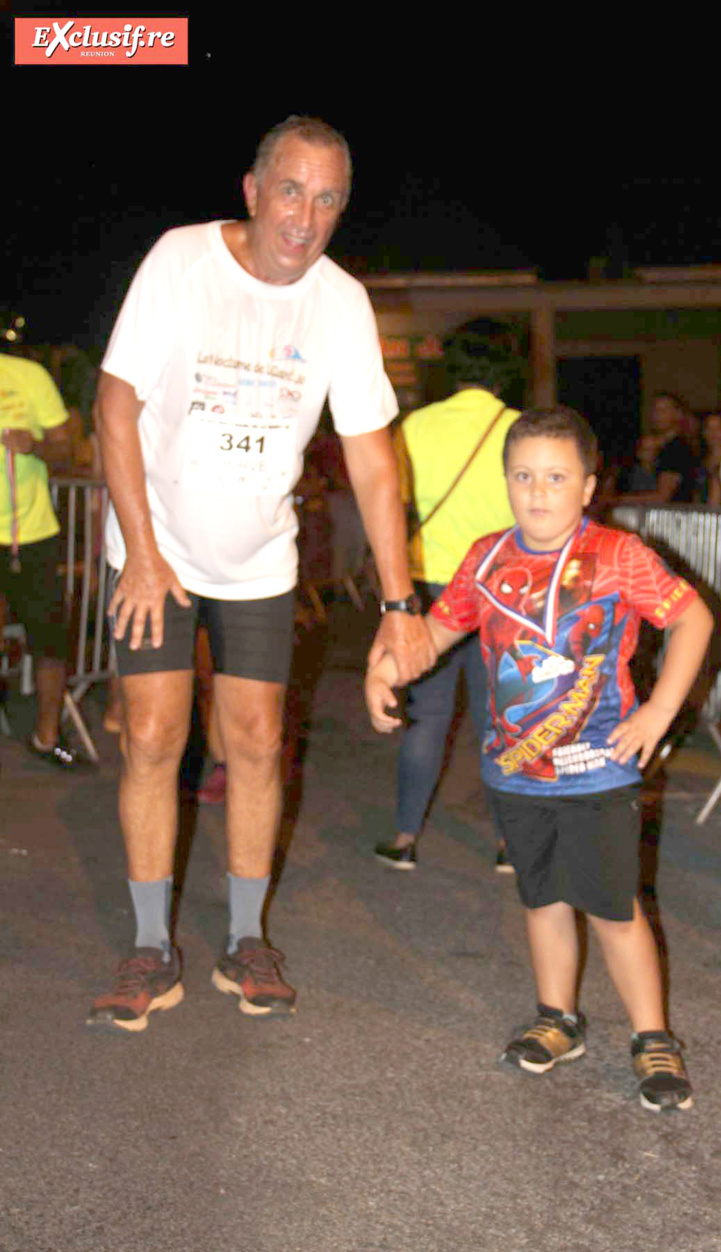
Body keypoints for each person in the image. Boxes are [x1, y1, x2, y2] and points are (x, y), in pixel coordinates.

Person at [88, 115, 434, 1033]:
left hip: (257, 566)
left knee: (253, 742)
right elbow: (114, 406)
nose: (305, 217)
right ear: (252, 189)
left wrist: (401, 605)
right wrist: (143, 552)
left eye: (327, 200)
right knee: (155, 739)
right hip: (153, 552)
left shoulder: (341, 303)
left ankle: (246, 939)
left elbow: (371, 462)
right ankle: (151, 945)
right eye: (291, 189)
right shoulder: (180, 261)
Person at [366, 406, 713, 1111]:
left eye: (556, 477)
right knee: (543, 898)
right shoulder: (486, 557)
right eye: (523, 476)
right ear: (505, 481)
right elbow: (435, 633)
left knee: (616, 910)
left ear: (588, 486)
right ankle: (558, 1018)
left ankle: (653, 1036)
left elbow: (692, 618)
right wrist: (384, 670)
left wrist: (659, 711)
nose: (538, 492)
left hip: (601, 768)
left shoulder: (618, 555)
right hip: (515, 772)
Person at [373, 319, 520, 873]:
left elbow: (397, 505)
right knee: (500, 720)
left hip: (430, 588)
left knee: (427, 716)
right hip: (502, 589)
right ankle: (511, 845)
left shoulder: (415, 426)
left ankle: (405, 837)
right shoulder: (522, 429)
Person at [0, 351, 82, 769]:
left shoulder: (27, 375)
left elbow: (66, 452)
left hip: (29, 535)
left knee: (51, 641)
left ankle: (47, 737)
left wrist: (31, 446)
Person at [617, 393, 698, 505]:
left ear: (677, 414)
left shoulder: (678, 449)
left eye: (663, 410)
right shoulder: (654, 445)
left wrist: (615, 500)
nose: (657, 415)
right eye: (655, 410)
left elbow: (662, 497)